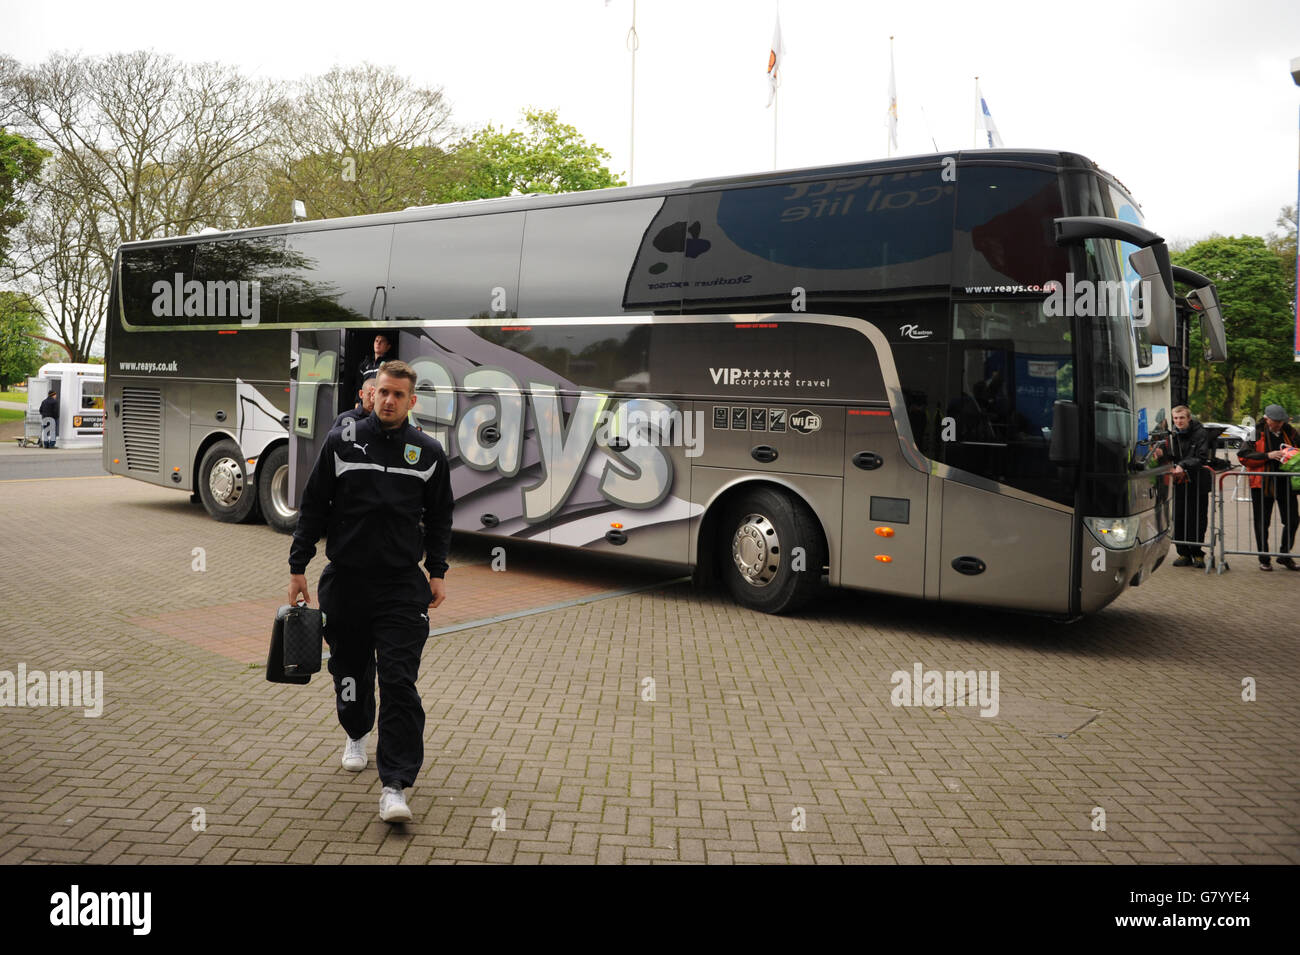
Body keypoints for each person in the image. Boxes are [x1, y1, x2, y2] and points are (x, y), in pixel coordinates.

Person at [288, 361, 454, 823]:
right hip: (347, 582)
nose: (388, 401)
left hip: (402, 586)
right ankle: (357, 730)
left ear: (411, 401)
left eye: (398, 395)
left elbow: (440, 518)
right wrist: (297, 565)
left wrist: (436, 571)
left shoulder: (429, 452)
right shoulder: (341, 442)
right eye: (382, 392)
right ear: (370, 394)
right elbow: (314, 503)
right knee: (349, 669)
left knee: (399, 681)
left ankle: (395, 785)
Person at [1237, 403, 1300, 571]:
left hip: (1286, 483)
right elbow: (1243, 456)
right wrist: (1267, 455)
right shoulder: (1254, 432)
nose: (1279, 424)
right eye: (1275, 421)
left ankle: (1284, 555)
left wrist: (1292, 454)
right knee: (1262, 522)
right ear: (1266, 418)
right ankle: (1264, 559)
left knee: (1293, 520)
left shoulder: (1290, 432)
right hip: (1263, 484)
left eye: (1281, 421)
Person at [1150, 405, 1211, 568]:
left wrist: (1183, 465)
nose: (1178, 421)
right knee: (1178, 517)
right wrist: (1161, 453)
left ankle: (1197, 553)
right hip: (1178, 482)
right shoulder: (1171, 434)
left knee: (1197, 518)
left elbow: (1202, 457)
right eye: (1175, 418)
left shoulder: (1200, 433)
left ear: (1188, 418)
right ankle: (1183, 553)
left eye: (1182, 418)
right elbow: (1169, 454)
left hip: (1197, 482)